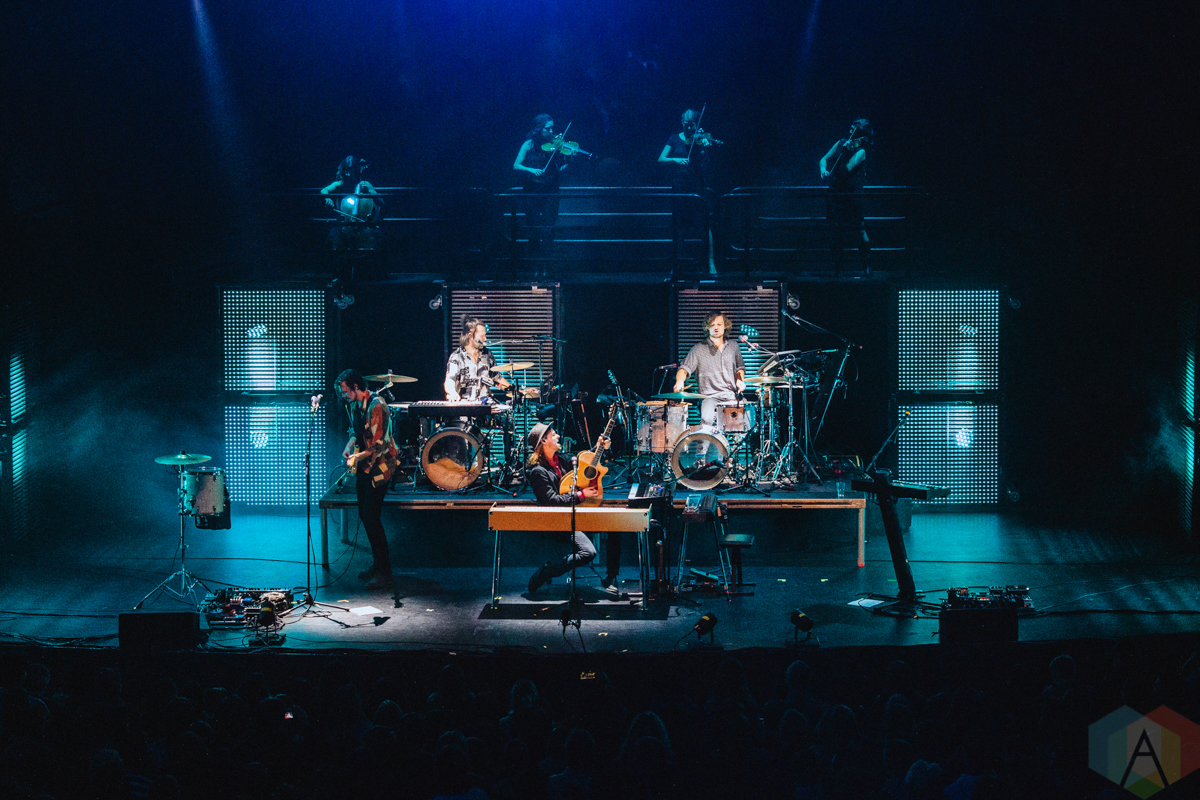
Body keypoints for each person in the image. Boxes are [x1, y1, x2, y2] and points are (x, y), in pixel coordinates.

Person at [524, 422, 616, 594]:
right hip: (558, 521)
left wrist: (599, 447)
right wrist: (581, 495)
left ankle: (612, 576)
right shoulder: (538, 472)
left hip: (576, 512)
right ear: (543, 441)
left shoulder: (563, 460)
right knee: (588, 553)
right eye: (553, 435)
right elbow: (552, 501)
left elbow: (585, 462)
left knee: (616, 524)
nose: (558, 436)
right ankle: (547, 572)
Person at [337, 368, 401, 590]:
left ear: (356, 387)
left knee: (372, 517)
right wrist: (349, 447)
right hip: (366, 466)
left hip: (381, 466)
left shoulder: (377, 405)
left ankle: (385, 572)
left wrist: (357, 456)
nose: (343, 395)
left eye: (345, 391)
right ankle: (378, 564)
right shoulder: (355, 405)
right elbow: (355, 432)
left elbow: (379, 445)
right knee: (365, 516)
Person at [659, 108, 721, 275]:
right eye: (686, 124)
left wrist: (706, 149)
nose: (688, 128)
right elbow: (661, 159)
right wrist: (675, 160)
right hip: (679, 185)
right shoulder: (674, 138)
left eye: (692, 125)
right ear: (682, 122)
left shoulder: (701, 138)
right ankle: (676, 263)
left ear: (697, 124)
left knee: (704, 223)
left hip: (697, 185)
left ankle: (710, 263)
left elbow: (707, 165)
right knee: (679, 224)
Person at [674, 311, 746, 428]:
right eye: (712, 325)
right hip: (709, 397)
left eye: (719, 324)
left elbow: (740, 367)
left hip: (731, 395)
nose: (716, 328)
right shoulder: (698, 349)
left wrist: (740, 380)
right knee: (707, 422)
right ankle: (705, 439)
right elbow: (684, 369)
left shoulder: (733, 346)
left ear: (725, 326)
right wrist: (679, 381)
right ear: (707, 328)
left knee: (747, 420)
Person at [819, 119, 873, 275]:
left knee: (860, 230)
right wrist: (823, 170)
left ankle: (867, 265)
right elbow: (823, 159)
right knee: (836, 230)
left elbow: (846, 170)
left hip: (852, 194)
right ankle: (838, 268)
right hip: (836, 192)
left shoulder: (861, 151)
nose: (851, 129)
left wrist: (844, 153)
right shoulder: (841, 142)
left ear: (861, 132)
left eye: (855, 128)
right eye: (851, 127)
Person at [513, 114, 572, 245]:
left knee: (549, 223)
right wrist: (531, 170)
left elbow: (560, 168)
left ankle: (548, 251)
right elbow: (516, 165)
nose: (551, 131)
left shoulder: (554, 146)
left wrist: (569, 160)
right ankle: (533, 251)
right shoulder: (529, 144)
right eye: (548, 128)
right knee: (532, 223)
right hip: (531, 190)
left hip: (550, 189)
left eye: (552, 128)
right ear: (539, 128)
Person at [320, 156, 382, 252]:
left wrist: (369, 192)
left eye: (352, 171)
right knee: (329, 242)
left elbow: (381, 202)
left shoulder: (365, 184)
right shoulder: (340, 184)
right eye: (346, 171)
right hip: (344, 226)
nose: (349, 174)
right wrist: (327, 198)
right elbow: (324, 190)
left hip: (363, 226)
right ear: (343, 171)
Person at [443, 316, 510, 402]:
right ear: (470, 336)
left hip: (486, 404)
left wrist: (517, 391)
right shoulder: (457, 356)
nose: (485, 338)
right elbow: (450, 380)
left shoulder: (487, 354)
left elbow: (497, 378)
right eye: (482, 336)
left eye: (485, 335)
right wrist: (452, 392)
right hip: (465, 406)